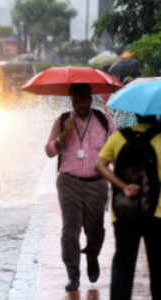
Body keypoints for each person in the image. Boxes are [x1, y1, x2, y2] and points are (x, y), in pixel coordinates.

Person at [96, 115, 161, 300]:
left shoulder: (119, 137)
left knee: (123, 265)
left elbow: (100, 165)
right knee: (158, 266)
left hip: (123, 212)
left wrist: (122, 185)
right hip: (156, 213)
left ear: (135, 114)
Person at [45, 83, 115, 291]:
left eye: (83, 101)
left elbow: (114, 147)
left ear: (90, 100)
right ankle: (73, 274)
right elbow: (49, 151)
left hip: (97, 183)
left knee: (95, 230)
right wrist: (63, 136)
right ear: (72, 101)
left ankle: (92, 255)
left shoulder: (104, 120)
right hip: (69, 182)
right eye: (75, 101)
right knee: (70, 230)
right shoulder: (63, 120)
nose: (79, 105)